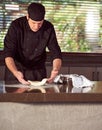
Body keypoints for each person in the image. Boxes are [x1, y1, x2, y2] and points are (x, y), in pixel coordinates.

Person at [4, 2, 62, 85]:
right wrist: (15, 72)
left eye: (40, 23)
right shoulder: (16, 26)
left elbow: (56, 52)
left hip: (37, 71)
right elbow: (8, 52)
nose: (36, 27)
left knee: (37, 97)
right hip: (16, 69)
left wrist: (55, 69)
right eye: (33, 23)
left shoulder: (48, 27)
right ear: (27, 17)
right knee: (15, 97)